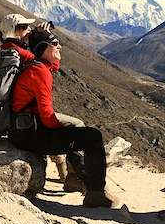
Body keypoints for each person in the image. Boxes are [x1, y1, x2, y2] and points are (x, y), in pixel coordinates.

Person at [8, 28, 119, 208]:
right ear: (43, 48)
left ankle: (77, 179)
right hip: (31, 134)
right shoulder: (41, 72)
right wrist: (66, 131)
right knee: (93, 138)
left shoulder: (35, 66)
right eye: (54, 44)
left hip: (23, 131)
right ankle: (95, 193)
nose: (59, 46)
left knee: (77, 135)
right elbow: (47, 116)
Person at [0, 14, 80, 189]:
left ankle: (66, 174)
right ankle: (71, 177)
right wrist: (41, 41)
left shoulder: (9, 49)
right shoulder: (21, 53)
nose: (30, 30)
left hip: (25, 112)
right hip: (28, 118)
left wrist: (42, 40)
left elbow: (50, 64)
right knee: (72, 125)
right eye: (26, 28)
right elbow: (51, 65)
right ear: (16, 31)